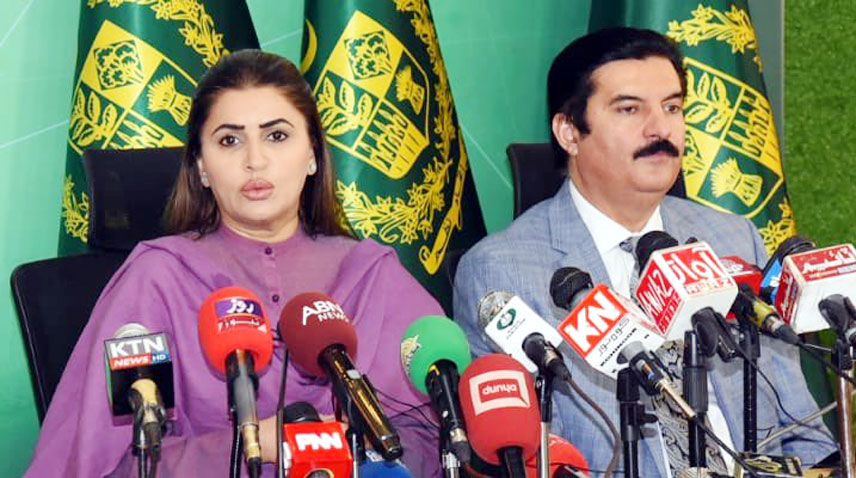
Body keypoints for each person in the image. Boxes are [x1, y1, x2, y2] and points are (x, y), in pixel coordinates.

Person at [26, 50, 441, 477]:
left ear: (313, 155)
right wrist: (255, 446)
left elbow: (437, 437)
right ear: (202, 167)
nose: (254, 160)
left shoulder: (373, 275)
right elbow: (117, 462)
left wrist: (357, 447)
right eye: (230, 140)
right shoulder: (158, 280)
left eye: (276, 135)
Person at [453, 27, 836, 477]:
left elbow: (803, 430)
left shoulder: (732, 239)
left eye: (672, 107)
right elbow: (518, 458)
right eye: (630, 109)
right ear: (569, 132)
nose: (661, 128)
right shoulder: (501, 273)